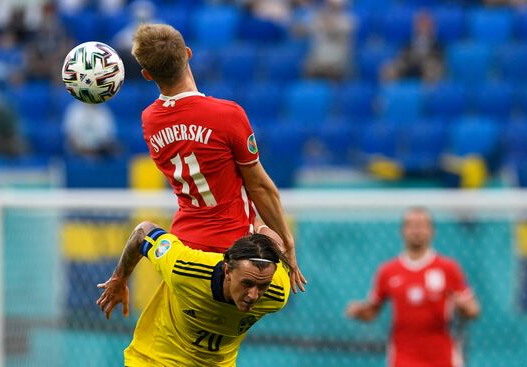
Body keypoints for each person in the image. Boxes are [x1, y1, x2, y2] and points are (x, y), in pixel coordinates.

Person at [131, 23, 306, 292]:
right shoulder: (227, 115)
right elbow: (258, 186)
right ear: (188, 53)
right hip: (233, 253)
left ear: (146, 74)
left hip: (186, 250)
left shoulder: (149, 120)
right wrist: (286, 240)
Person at [97, 220, 291, 367]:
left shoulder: (277, 292)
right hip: (155, 360)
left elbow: (279, 246)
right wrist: (120, 279)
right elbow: (143, 231)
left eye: (262, 285)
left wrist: (259, 223)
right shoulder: (185, 269)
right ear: (227, 271)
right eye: (247, 283)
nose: (253, 295)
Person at [346, 207, 480, 367]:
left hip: (442, 358)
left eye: (422, 225)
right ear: (403, 231)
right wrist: (358, 311)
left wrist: (464, 307)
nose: (417, 230)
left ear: (432, 231)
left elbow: (473, 309)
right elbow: (372, 311)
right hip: (403, 358)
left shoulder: (448, 268)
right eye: (412, 225)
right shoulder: (388, 271)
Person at [380, 11, 444, 84]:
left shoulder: (438, 43)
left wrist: (423, 59)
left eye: (426, 24)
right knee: (389, 66)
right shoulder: (407, 42)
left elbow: (439, 58)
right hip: (409, 65)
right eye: (420, 24)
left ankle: (428, 93)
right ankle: (390, 92)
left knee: (432, 67)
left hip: (426, 66)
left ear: (432, 27)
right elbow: (402, 56)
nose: (423, 27)